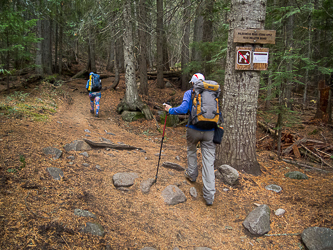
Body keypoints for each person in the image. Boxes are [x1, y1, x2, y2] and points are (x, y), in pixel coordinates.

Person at [163, 73, 218, 206]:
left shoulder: (190, 92)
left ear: (193, 83)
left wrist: (170, 110)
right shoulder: (212, 93)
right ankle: (209, 196)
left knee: (191, 150)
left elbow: (183, 109)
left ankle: (192, 175)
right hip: (210, 130)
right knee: (209, 162)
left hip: (193, 129)